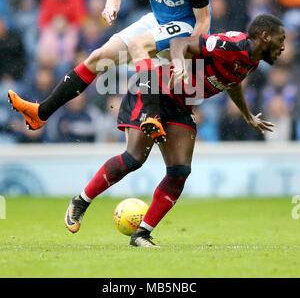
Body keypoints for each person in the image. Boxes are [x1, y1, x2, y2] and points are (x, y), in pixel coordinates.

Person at [64, 13, 285, 248]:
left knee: (179, 170)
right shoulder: (231, 44)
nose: (283, 47)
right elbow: (180, 43)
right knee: (134, 158)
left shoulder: (252, 59)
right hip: (155, 90)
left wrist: (247, 115)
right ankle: (81, 201)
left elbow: (232, 82)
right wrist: (179, 65)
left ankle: (141, 234)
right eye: (281, 39)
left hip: (181, 103)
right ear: (265, 36)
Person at [8, 0, 211, 143]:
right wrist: (112, 2)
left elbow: (203, 20)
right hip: (158, 18)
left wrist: (185, 55)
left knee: (137, 44)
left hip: (185, 23)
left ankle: (152, 115)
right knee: (98, 57)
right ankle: (40, 113)